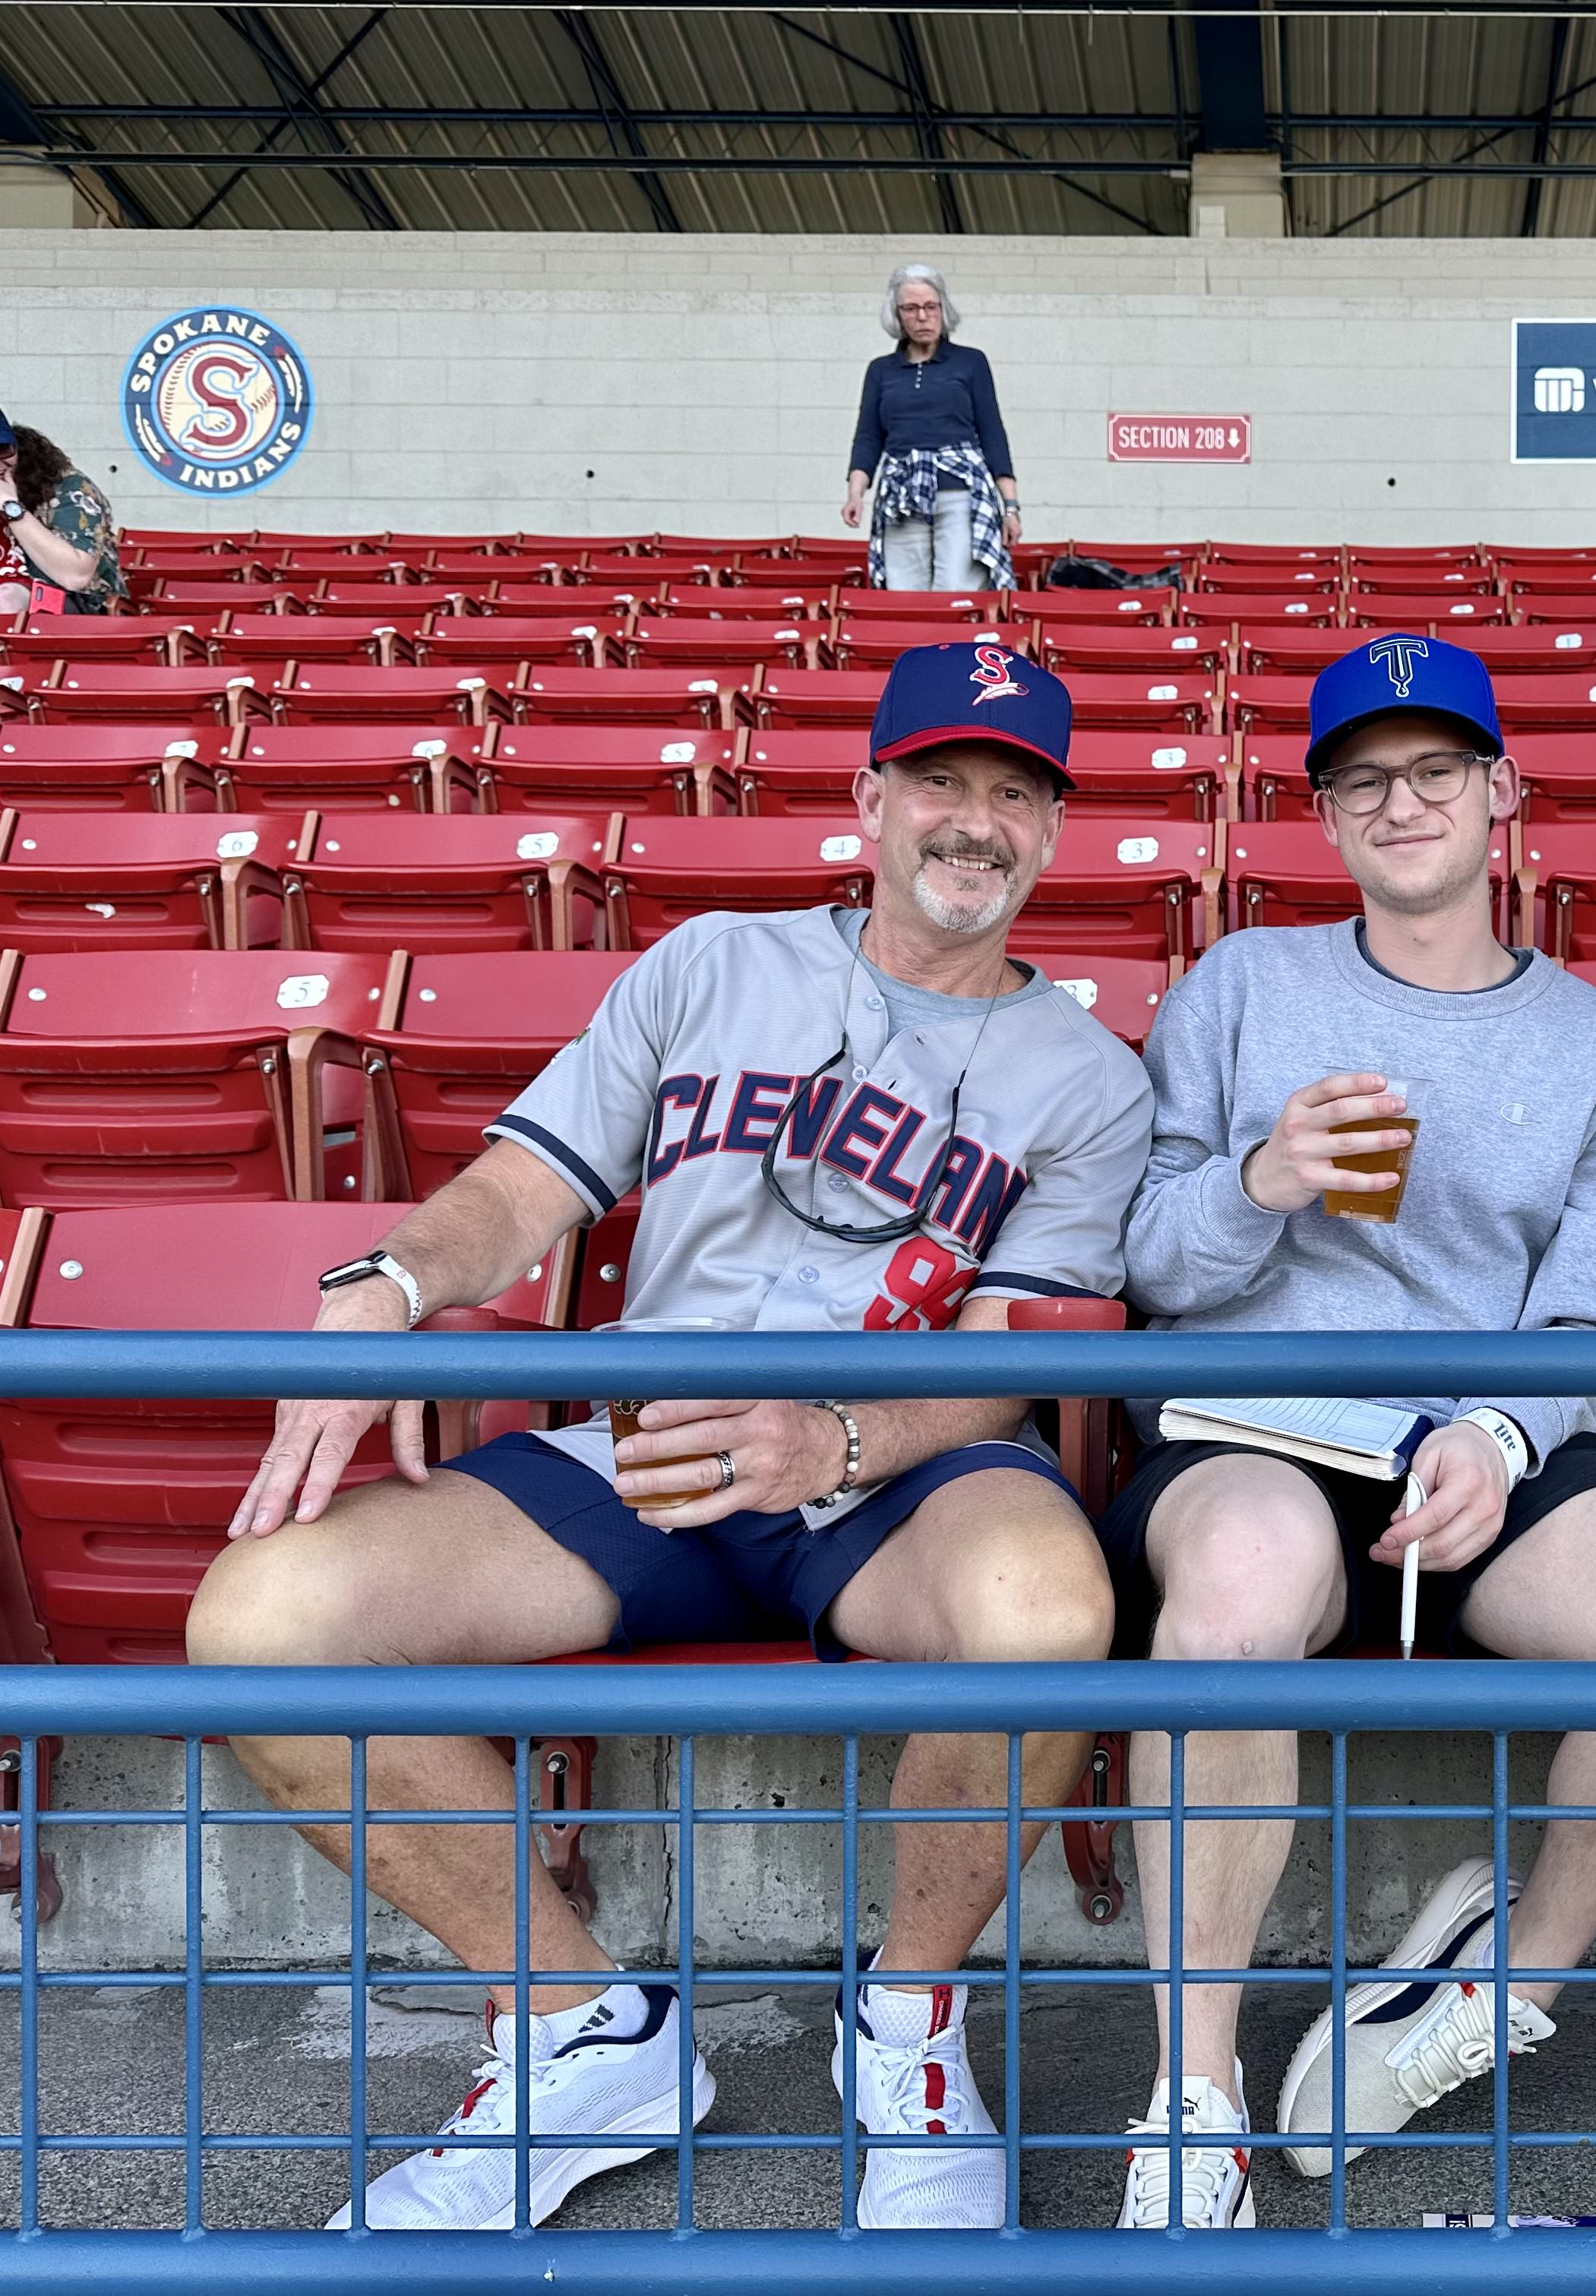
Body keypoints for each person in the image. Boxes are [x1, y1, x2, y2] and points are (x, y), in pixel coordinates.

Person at [185, 641, 1149, 2236]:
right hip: (648, 1447)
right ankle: (581, 2032)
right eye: (941, 780)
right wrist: (388, 1282)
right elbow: (522, 1186)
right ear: (870, 797)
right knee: (260, 1621)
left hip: (897, 1468)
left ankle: (905, 2033)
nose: (974, 821)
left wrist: (835, 1435)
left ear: (1047, 833)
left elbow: (1013, 1366)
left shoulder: (1089, 1078)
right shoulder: (711, 964)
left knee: (1046, 1606)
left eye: (1014, 793)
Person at [1101, 634, 1596, 2228]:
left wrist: (1493, 1425)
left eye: (1432, 771)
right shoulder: (1242, 983)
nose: (1398, 803)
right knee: (1240, 1595)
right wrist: (1258, 1182)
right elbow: (1145, 1260)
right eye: (1360, 780)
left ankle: (1481, 1988)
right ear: (1323, 814)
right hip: (1257, 1423)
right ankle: (1190, 2096)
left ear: (1500, 795)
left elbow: (1591, 1312)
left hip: (1487, 1438)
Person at [842, 264, 1022, 593]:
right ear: (897, 316)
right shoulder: (880, 371)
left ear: (943, 309)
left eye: (931, 307)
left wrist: (1010, 507)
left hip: (961, 494)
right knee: (903, 592)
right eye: (911, 308)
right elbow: (868, 437)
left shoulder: (971, 362)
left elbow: (993, 433)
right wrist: (856, 494)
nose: (923, 317)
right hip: (901, 496)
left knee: (957, 590)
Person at [0, 411, 128, 616]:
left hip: (80, 606)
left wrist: (10, 507)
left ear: (18, 448)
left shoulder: (66, 489)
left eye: (3, 450)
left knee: (5, 599)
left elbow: (75, 576)